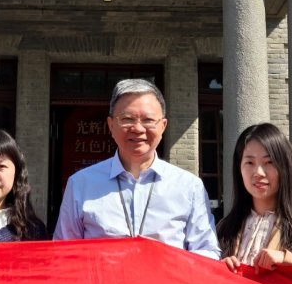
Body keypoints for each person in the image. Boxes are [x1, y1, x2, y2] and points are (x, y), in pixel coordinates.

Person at [53, 79, 220, 255]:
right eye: (127, 119)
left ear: (163, 126)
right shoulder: (80, 184)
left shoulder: (189, 186)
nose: (138, 128)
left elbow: (207, 252)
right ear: (111, 125)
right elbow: (63, 253)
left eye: (148, 120)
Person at [216, 122, 292, 270]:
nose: (258, 172)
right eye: (249, 162)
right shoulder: (224, 228)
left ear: (285, 167)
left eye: (269, 162)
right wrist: (218, 269)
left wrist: (287, 260)